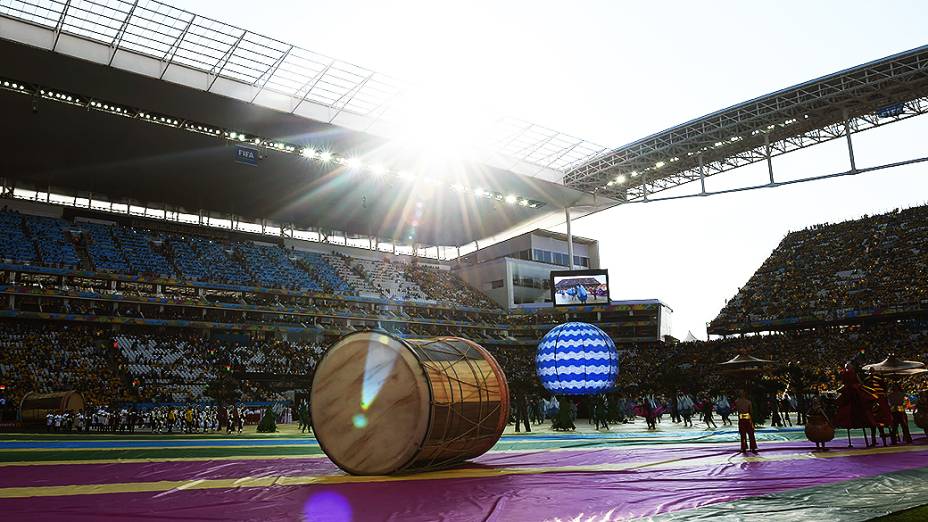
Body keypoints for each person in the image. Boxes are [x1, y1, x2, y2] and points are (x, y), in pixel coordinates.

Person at [735, 389, 758, 454]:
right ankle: (750, 448)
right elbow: (751, 412)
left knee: (745, 434)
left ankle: (746, 448)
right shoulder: (748, 402)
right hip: (746, 419)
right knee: (748, 434)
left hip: (744, 419)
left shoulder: (738, 401)